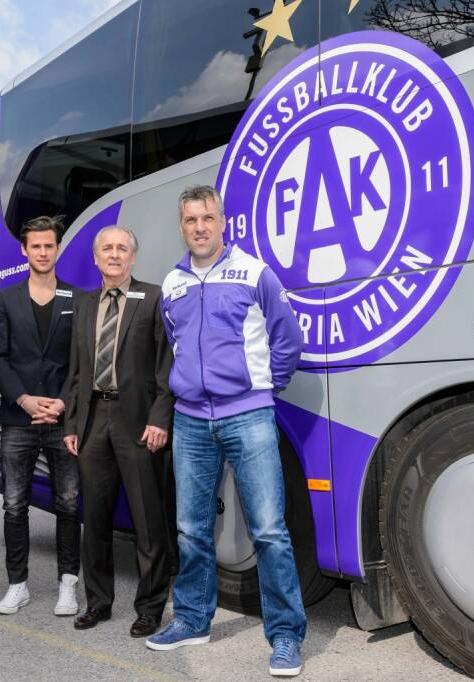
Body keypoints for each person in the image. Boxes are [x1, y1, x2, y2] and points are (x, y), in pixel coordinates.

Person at [148, 185, 306, 678]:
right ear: (182, 226)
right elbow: (174, 347)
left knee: (269, 530)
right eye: (191, 219)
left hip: (248, 415)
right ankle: (193, 620)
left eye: (207, 218)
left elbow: (287, 339)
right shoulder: (171, 284)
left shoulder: (254, 273)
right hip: (191, 419)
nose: (199, 227)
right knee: (191, 529)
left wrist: (262, 389)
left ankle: (284, 636)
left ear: (223, 222)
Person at [63, 226, 174, 638]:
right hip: (93, 423)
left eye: (122, 248)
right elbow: (77, 371)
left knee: (149, 522)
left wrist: (160, 418)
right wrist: (72, 423)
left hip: (140, 426)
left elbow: (166, 366)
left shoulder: (154, 297)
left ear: (133, 257)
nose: (114, 254)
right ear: (96, 258)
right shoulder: (85, 304)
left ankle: (149, 608)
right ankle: (98, 603)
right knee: (94, 520)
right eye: (107, 248)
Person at [0, 216, 82, 616]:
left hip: (63, 419)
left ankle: (68, 586)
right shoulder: (6, 299)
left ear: (57, 249)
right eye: (36, 246)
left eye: (49, 245)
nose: (43, 252)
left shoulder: (78, 298)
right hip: (18, 417)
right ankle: (17, 585)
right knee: (14, 505)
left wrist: (61, 402)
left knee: (69, 503)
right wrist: (24, 400)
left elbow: (82, 362)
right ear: (24, 251)